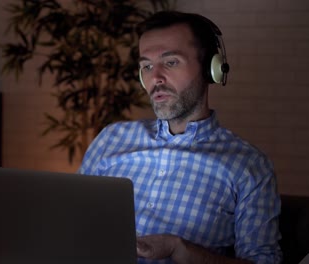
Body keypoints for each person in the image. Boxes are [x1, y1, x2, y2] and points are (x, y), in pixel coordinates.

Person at [78, 10, 282, 264]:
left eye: (171, 62)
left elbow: (264, 261)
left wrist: (180, 249)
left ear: (211, 69)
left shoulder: (249, 166)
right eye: (147, 66)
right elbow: (71, 223)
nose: (156, 78)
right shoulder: (111, 138)